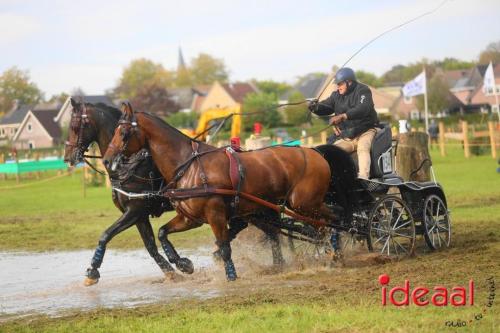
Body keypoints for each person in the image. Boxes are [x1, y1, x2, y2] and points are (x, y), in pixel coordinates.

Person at [309, 67, 379, 179]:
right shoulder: (336, 95)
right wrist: (315, 107)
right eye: (337, 84)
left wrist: (344, 116)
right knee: (332, 152)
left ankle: (364, 178)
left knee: (362, 148)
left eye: (340, 84)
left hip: (366, 131)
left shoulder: (363, 90)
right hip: (348, 136)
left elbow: (363, 108)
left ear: (349, 82)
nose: (338, 86)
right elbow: (326, 107)